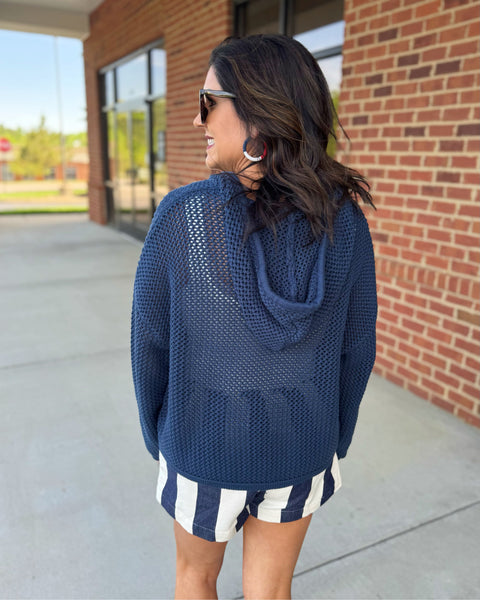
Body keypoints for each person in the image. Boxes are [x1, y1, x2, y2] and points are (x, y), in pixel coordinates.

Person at [131, 34, 377, 600]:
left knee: (195, 579)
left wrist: (160, 436)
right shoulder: (343, 222)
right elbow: (356, 348)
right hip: (303, 442)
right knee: (271, 590)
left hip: (203, 445)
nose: (198, 120)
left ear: (257, 113)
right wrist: (333, 438)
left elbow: (150, 347)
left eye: (207, 102)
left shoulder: (184, 218)